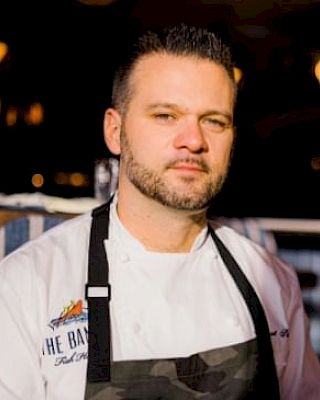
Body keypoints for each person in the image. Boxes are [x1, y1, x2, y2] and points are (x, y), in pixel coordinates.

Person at [0, 23, 319, 400]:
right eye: (166, 116)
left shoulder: (271, 281)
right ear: (114, 131)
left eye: (214, 121)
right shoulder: (28, 284)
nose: (194, 141)